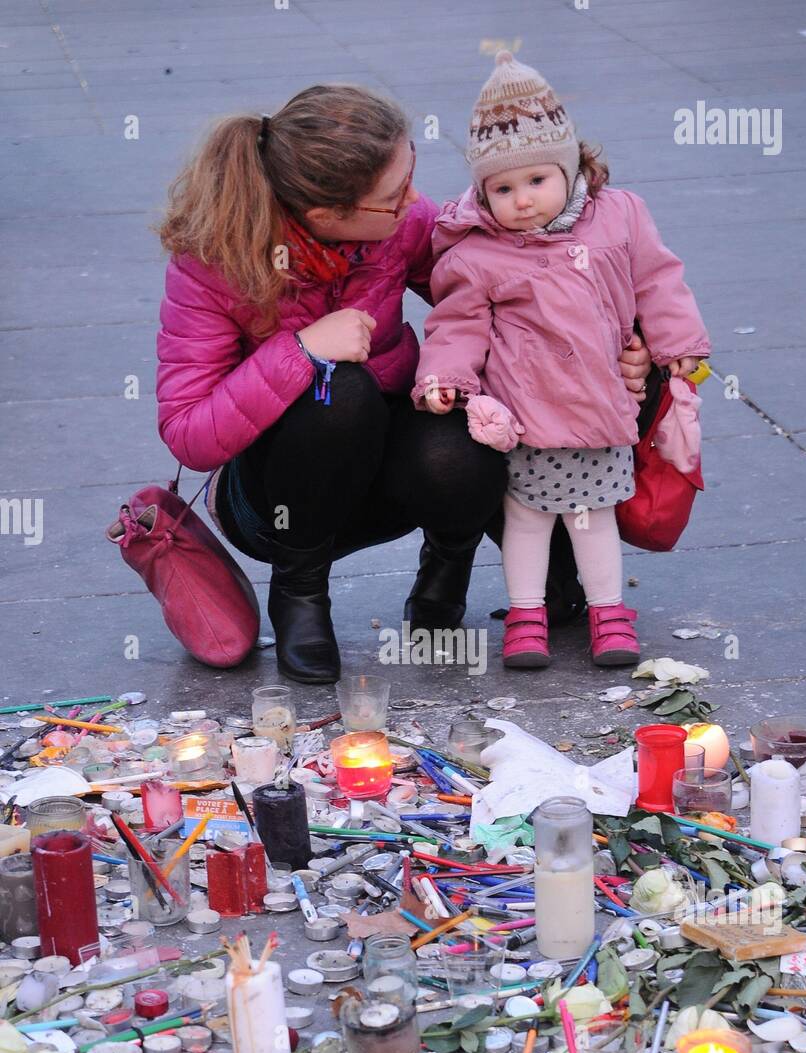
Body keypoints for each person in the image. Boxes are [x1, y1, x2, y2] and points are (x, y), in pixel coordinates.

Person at [155, 83, 652, 684]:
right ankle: (300, 593)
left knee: (468, 432)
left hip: (395, 467)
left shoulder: (403, 225)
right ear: (324, 216)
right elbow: (187, 434)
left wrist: (625, 352)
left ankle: (447, 570)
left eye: (411, 173)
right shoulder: (212, 263)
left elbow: (504, 297)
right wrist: (302, 350)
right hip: (281, 496)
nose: (416, 201)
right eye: (393, 196)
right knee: (339, 389)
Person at [414, 51, 710, 670]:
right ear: (481, 190)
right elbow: (457, 322)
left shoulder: (619, 216)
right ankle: (527, 614)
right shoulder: (479, 254)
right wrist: (445, 377)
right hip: (526, 412)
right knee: (525, 519)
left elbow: (658, 280)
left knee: (593, 517)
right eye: (502, 188)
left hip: (600, 404)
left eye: (536, 180)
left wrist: (676, 345)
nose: (521, 200)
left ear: (572, 166)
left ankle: (608, 611)